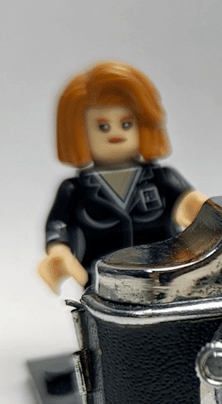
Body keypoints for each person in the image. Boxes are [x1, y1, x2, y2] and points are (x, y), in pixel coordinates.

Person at [38, 61, 207, 292]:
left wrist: (200, 211)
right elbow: (58, 225)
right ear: (79, 132)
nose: (116, 133)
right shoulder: (75, 190)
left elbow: (189, 206)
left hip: (163, 282)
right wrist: (58, 251)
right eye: (102, 127)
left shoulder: (163, 179)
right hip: (103, 287)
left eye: (126, 124)